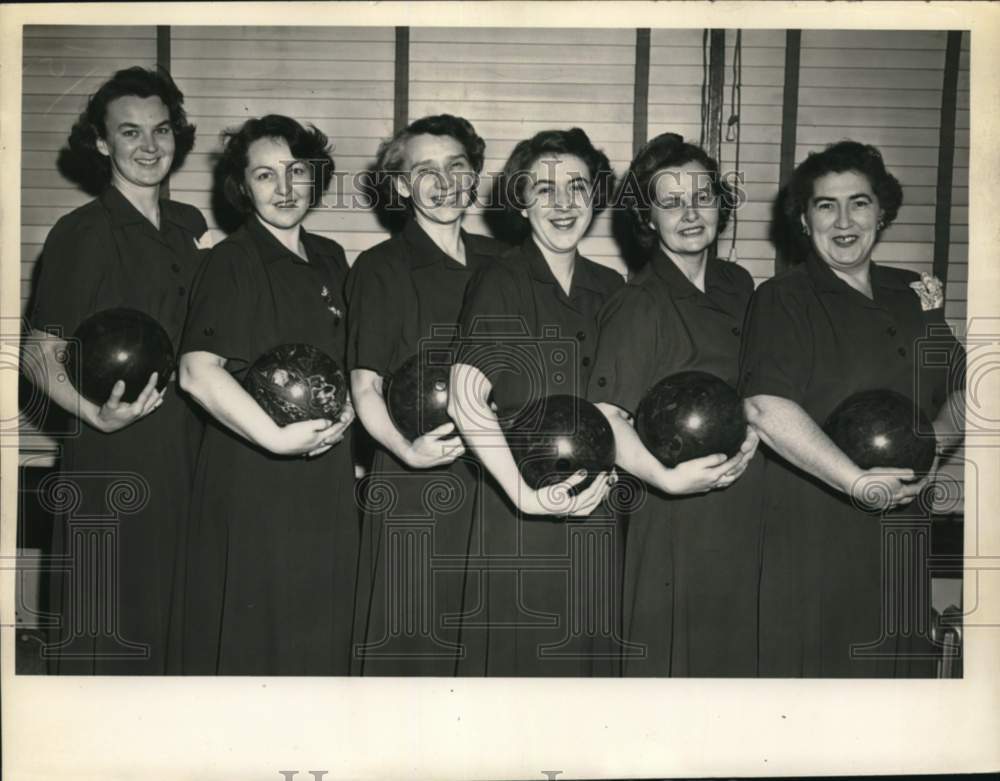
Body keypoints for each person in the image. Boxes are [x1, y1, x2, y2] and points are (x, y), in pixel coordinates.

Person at [740, 140, 966, 677]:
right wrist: (857, 482)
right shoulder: (782, 299)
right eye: (825, 205)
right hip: (817, 537)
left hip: (903, 538)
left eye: (859, 202)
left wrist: (929, 451)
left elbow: (968, 387)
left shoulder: (912, 292)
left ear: (881, 211)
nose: (844, 220)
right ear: (803, 218)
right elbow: (765, 407)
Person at [26, 66, 207, 674]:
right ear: (102, 143)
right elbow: (36, 351)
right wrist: (93, 416)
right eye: (130, 133)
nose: (149, 146)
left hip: (190, 448)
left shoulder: (192, 228)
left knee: (179, 618)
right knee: (111, 623)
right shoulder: (81, 233)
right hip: (112, 450)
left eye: (161, 130)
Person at [177, 115, 356, 675]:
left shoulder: (331, 256)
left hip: (325, 472)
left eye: (295, 171)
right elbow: (196, 370)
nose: (283, 189)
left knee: (322, 625)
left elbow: (345, 360)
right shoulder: (230, 261)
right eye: (264, 175)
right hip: (254, 471)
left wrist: (347, 411)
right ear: (242, 187)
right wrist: (276, 440)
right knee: (261, 636)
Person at [449, 128, 622, 676]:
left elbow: (621, 407)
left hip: (597, 515)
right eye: (543, 189)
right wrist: (526, 497)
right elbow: (464, 397)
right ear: (521, 203)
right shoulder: (501, 279)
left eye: (576, 186)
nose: (563, 204)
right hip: (521, 521)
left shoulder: (612, 286)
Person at [587, 133, 761, 676]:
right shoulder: (637, 303)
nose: (690, 214)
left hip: (746, 501)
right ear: (647, 214)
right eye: (671, 202)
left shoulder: (739, 285)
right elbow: (607, 419)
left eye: (703, 198)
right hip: (673, 513)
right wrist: (667, 483)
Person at [348, 114, 506, 676]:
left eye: (456, 166)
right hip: (418, 475)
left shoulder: (505, 263)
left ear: (475, 177)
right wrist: (405, 451)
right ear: (399, 186)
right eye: (424, 170)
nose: (443, 182)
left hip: (498, 482)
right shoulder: (379, 269)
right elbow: (364, 384)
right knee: (414, 648)